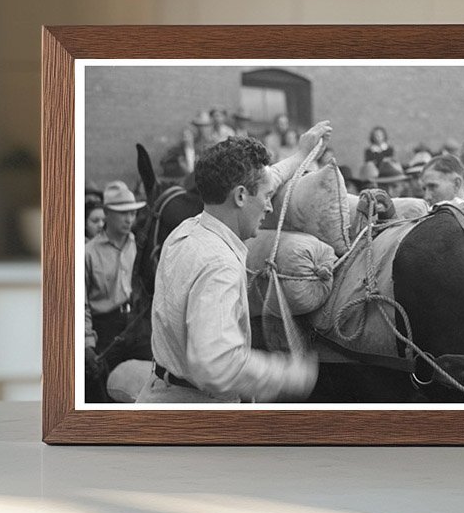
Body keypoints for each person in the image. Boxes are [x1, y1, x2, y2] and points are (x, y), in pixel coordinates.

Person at [137, 121, 332, 404]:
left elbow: (269, 178)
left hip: (161, 394)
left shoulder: (186, 230)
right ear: (241, 196)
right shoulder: (219, 265)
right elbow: (216, 362)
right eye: (266, 198)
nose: (268, 205)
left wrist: (301, 155)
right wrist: (291, 374)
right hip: (198, 415)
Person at [85, 181, 145, 357]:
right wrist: (87, 344)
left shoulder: (140, 247)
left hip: (138, 326)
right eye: (123, 213)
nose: (129, 219)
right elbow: (80, 305)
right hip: (105, 332)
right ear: (107, 213)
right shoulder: (88, 253)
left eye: (133, 213)